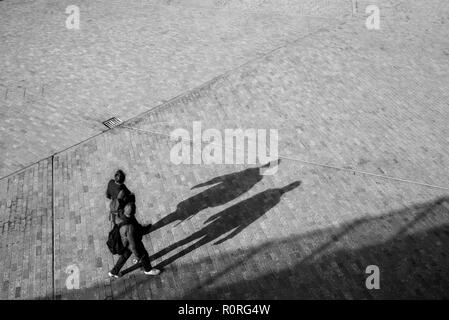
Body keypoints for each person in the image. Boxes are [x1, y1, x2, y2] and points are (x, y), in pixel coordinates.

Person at [108, 202, 161, 278]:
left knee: (124, 256)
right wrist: (137, 256)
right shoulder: (129, 228)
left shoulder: (121, 214)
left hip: (124, 241)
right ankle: (148, 270)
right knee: (143, 255)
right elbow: (133, 246)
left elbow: (136, 226)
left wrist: (143, 229)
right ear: (134, 212)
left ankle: (113, 272)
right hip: (131, 242)